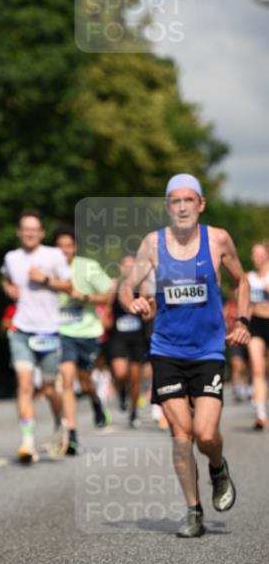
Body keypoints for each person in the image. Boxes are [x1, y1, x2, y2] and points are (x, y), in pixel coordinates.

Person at [121, 174, 251, 538]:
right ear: (167, 207)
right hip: (166, 350)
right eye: (175, 201)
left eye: (188, 200)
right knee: (182, 434)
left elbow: (241, 281)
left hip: (208, 350)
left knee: (205, 434)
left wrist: (242, 319)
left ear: (201, 204)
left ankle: (217, 466)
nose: (181, 207)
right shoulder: (153, 244)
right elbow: (126, 287)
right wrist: (132, 300)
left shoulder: (218, 239)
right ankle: (193, 510)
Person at [1, 211, 72, 463]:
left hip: (50, 330)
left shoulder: (53, 255)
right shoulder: (11, 258)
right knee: (25, 384)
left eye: (34, 229)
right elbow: (7, 279)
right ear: (19, 232)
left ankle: (58, 422)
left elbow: (69, 285)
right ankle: (27, 442)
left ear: (41, 233)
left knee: (50, 388)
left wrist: (45, 279)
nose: (29, 233)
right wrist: (9, 289)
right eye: (25, 229)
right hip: (21, 329)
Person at [54, 226, 113, 455]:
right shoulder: (49, 267)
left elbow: (108, 294)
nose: (64, 251)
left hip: (87, 332)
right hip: (61, 333)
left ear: (74, 247)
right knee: (67, 380)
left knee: (85, 381)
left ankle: (96, 402)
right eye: (59, 247)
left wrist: (85, 296)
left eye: (68, 246)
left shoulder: (88, 267)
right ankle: (72, 434)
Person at [107, 254, 151, 428]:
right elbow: (107, 305)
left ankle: (133, 412)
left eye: (133, 266)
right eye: (126, 265)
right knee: (119, 373)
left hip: (138, 337)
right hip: (118, 336)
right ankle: (122, 393)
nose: (129, 269)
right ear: (120, 267)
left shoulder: (143, 286)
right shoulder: (114, 285)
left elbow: (150, 310)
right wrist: (104, 318)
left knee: (134, 378)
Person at [247, 239, 269, 430]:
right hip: (256, 326)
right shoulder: (249, 278)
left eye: (259, 253)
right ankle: (261, 413)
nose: (256, 257)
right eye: (254, 254)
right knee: (257, 368)